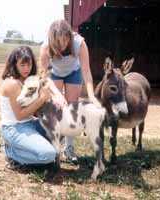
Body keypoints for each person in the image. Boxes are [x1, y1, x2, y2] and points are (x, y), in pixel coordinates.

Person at [39, 19, 101, 163]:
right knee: (55, 107)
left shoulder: (80, 43)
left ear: (70, 36)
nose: (62, 45)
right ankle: (54, 147)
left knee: (72, 107)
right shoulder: (46, 47)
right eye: (58, 42)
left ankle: (69, 148)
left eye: (65, 40)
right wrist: (57, 94)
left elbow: (86, 73)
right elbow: (43, 77)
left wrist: (91, 96)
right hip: (54, 74)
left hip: (74, 72)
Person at [0, 46, 64, 169]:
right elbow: (20, 116)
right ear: (14, 64)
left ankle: (32, 149)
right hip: (14, 128)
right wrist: (42, 99)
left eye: (29, 65)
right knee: (49, 155)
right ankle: (11, 152)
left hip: (31, 123)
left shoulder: (29, 80)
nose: (26, 69)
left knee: (60, 125)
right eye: (22, 65)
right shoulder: (11, 84)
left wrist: (55, 99)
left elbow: (34, 111)